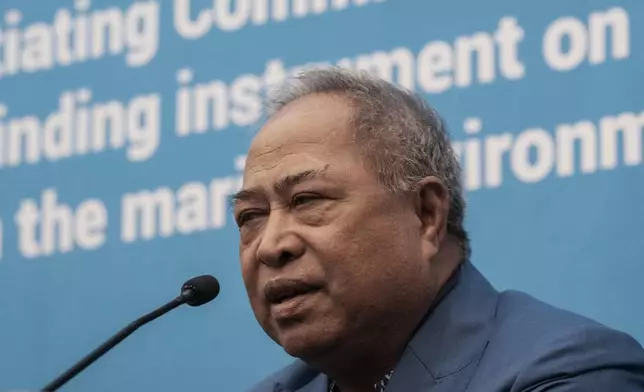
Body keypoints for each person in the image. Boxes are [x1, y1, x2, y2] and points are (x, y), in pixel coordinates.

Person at [231, 67, 644, 392]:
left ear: (426, 214)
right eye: (251, 216)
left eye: (306, 201)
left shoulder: (567, 372)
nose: (271, 245)